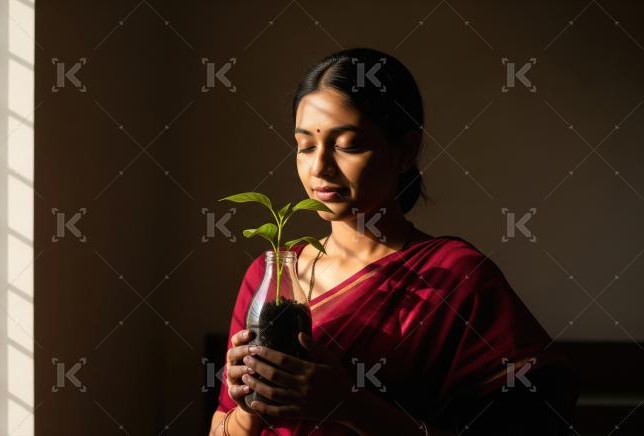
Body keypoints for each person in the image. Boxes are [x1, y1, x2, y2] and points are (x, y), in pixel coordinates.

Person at [208, 48, 579, 435]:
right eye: (305, 146)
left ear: (405, 151)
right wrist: (249, 405)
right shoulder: (272, 277)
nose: (319, 167)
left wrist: (349, 405)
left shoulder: (458, 278)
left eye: (347, 144)